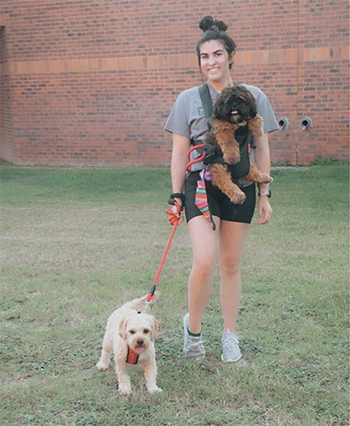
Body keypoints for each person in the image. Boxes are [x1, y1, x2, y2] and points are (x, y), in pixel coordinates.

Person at [164, 16, 279, 362]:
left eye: (217, 54)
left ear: (230, 55)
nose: (211, 62)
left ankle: (230, 334)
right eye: (204, 56)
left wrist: (265, 196)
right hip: (200, 184)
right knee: (204, 260)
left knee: (230, 263)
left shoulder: (254, 95)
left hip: (241, 184)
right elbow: (179, 152)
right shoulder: (187, 99)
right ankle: (194, 330)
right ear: (199, 61)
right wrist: (175, 196)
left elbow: (262, 148)